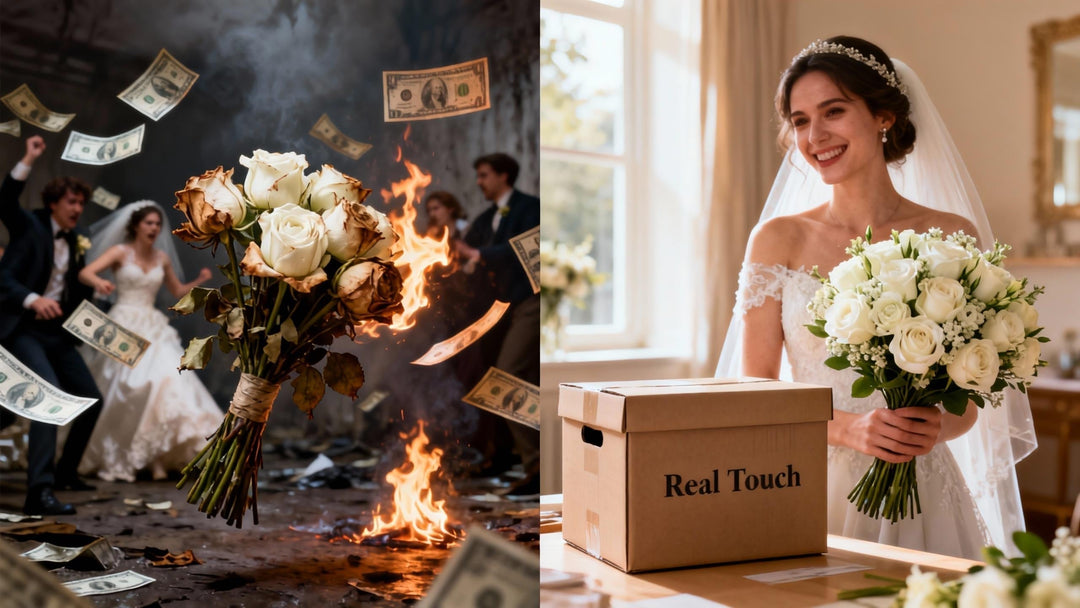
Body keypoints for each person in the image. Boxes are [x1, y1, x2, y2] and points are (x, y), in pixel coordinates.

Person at [715, 36, 1036, 559]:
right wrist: (848, 431)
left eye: (833, 111)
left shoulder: (952, 236)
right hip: (814, 486)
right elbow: (755, 392)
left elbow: (968, 404)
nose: (814, 136)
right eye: (799, 121)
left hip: (927, 493)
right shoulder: (777, 239)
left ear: (883, 115)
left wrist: (935, 426)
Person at [76, 200, 220, 482]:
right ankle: (129, 452)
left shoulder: (161, 258)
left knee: (168, 380)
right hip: (122, 325)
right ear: (136, 226)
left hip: (153, 327)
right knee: (128, 386)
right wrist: (99, 283)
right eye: (149, 223)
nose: (154, 228)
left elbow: (176, 289)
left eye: (157, 224)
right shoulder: (119, 251)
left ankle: (158, 457)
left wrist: (198, 281)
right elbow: (85, 272)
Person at [0, 135, 104, 515]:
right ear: (53, 203)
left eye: (81, 203)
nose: (78, 208)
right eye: (71, 202)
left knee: (91, 399)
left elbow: (73, 295)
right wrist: (28, 158)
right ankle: (38, 492)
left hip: (55, 335)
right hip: (22, 327)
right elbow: (5, 202)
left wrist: (97, 297)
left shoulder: (77, 242)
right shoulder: (29, 226)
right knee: (47, 398)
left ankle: (64, 473)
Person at [458, 153, 541, 495]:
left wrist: (479, 256)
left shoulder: (530, 207)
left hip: (531, 302)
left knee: (507, 378)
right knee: (500, 376)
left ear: (504, 175)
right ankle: (508, 458)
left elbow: (525, 246)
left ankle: (537, 469)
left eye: (484, 175)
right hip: (500, 309)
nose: (479, 182)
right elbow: (464, 246)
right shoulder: (487, 217)